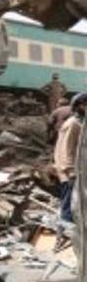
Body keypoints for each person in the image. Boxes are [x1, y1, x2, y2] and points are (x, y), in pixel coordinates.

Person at [54, 94, 85, 223]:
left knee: (78, 206)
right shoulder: (73, 123)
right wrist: (70, 170)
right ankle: (64, 235)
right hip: (70, 173)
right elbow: (66, 149)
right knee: (69, 207)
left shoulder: (81, 122)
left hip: (80, 171)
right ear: (82, 105)